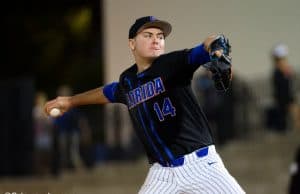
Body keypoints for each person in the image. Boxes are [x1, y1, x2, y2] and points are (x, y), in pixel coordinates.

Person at [44, 16, 244, 193]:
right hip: (162, 173)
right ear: (132, 44)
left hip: (200, 165)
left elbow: (209, 43)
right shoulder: (127, 80)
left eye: (160, 36)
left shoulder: (173, 64)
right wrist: (70, 101)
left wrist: (217, 51)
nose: (156, 39)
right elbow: (108, 92)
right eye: (148, 35)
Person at [271, 43, 298, 132]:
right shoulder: (277, 73)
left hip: (289, 97)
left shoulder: (286, 71)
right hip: (283, 98)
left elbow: (292, 83)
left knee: (294, 113)